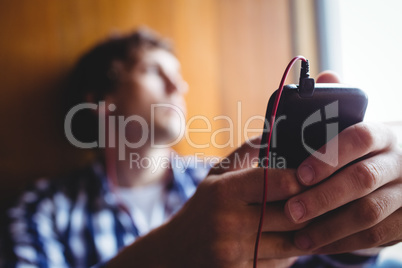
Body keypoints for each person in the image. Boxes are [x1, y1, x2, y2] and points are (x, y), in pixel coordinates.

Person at [2, 29, 402, 268]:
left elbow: (314, 259)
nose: (180, 87)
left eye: (179, 75)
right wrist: (166, 255)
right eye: (155, 72)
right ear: (103, 100)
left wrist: (361, 227)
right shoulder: (45, 208)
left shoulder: (229, 184)